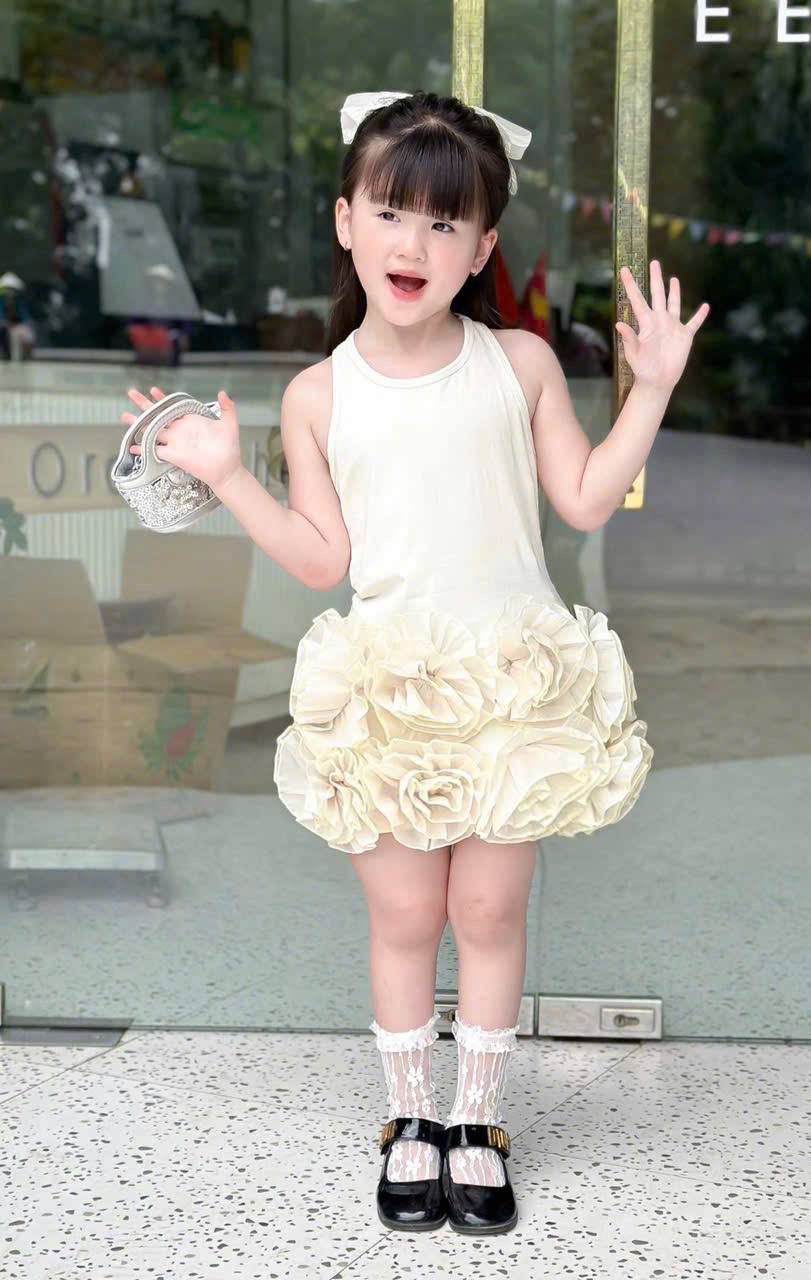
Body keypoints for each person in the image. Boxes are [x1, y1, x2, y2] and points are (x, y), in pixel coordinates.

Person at [118, 89, 709, 1236]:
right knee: (403, 914)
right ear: (346, 220)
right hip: (389, 685)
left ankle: (476, 1121)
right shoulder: (317, 393)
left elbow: (585, 497)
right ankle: (409, 1119)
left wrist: (651, 387)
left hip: (510, 679)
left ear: (481, 248)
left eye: (446, 223)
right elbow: (321, 557)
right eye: (392, 211)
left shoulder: (520, 363)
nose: (415, 243)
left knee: (486, 906)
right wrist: (229, 475)